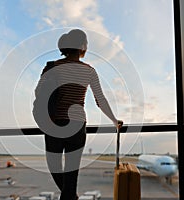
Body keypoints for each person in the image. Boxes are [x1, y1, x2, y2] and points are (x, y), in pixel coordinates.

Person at [33, 29, 122, 200]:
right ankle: (71, 196)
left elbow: (39, 93)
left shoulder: (52, 67)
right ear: (82, 46)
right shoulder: (89, 71)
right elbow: (100, 99)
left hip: (53, 122)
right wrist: (114, 120)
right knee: (71, 174)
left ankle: (71, 196)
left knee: (55, 168)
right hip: (76, 125)